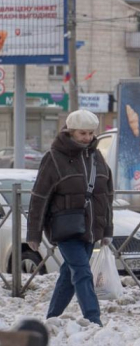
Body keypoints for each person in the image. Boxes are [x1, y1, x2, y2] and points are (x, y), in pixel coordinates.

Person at [26, 109, 114, 327]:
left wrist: (107, 230)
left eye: (91, 133)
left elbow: (106, 196)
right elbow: (39, 198)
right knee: (83, 273)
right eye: (82, 133)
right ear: (70, 132)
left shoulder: (97, 157)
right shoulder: (54, 158)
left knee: (69, 274)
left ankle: (51, 319)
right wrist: (34, 233)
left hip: (90, 228)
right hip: (65, 227)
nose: (87, 138)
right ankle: (94, 320)